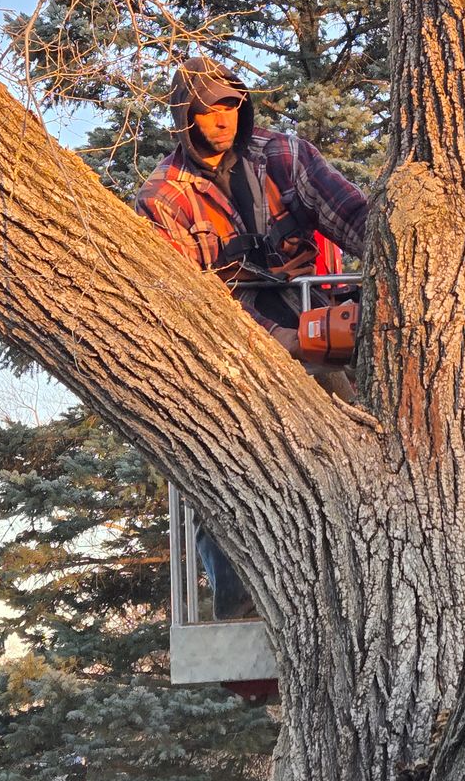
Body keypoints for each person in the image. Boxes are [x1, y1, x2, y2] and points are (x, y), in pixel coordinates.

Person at [137, 56, 368, 618]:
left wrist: (398, 273)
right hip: (232, 338)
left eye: (230, 105)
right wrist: (281, 342)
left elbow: (354, 216)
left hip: (311, 304)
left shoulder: (283, 157)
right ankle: (239, 604)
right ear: (183, 119)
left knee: (360, 437)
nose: (221, 119)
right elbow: (193, 304)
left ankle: (362, 580)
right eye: (206, 109)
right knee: (226, 453)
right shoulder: (164, 196)